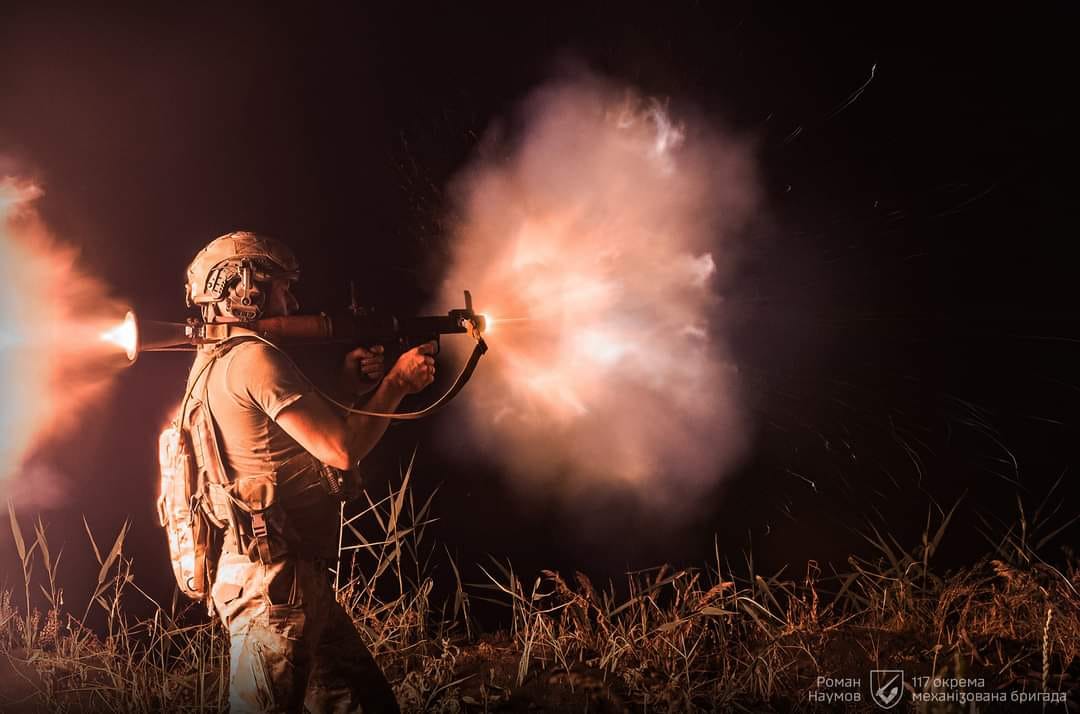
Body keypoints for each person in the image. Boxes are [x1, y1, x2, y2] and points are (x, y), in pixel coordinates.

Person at [182, 231, 432, 713]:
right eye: (280, 287)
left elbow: (279, 443)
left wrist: (348, 385)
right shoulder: (255, 358)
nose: (291, 300)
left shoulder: (213, 363)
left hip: (284, 581)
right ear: (245, 289)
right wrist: (397, 385)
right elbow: (339, 450)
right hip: (272, 590)